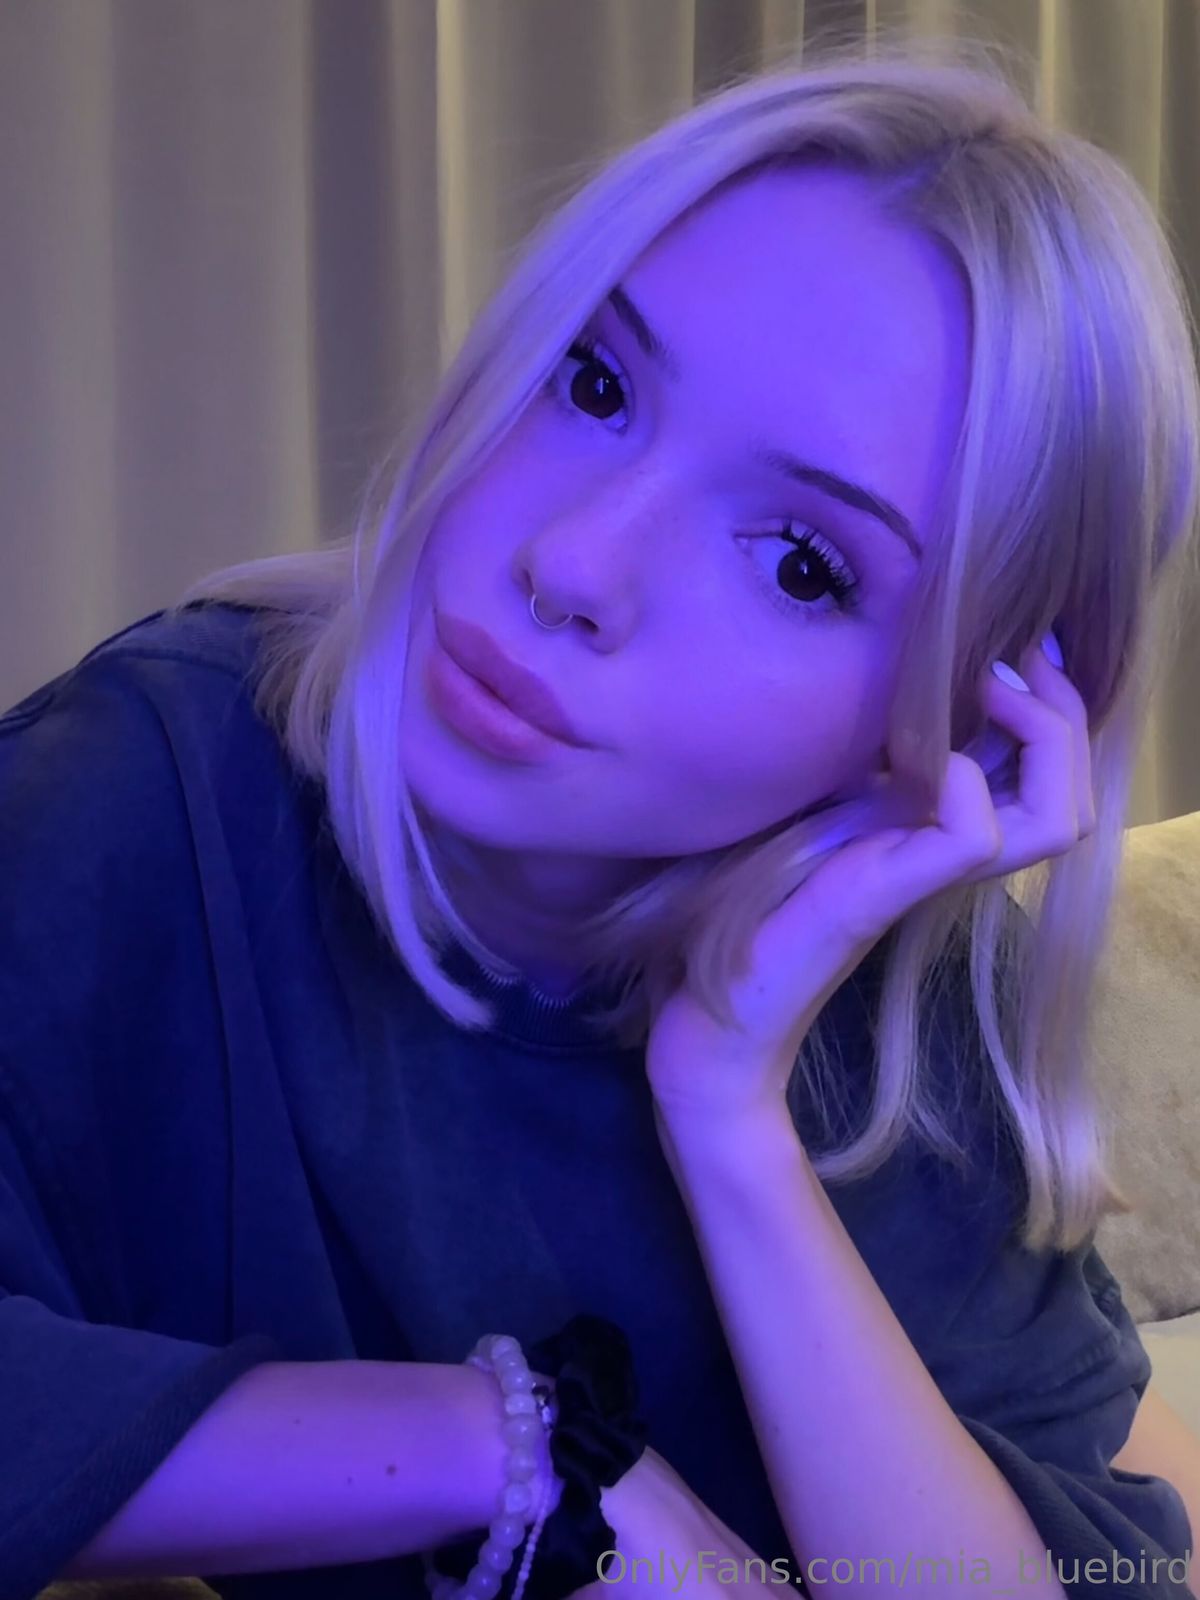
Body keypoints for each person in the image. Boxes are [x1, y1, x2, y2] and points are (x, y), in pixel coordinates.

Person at [1, 28, 1198, 1600]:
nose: (569, 560)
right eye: (598, 382)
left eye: (800, 564)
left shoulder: (906, 973)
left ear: (969, 717)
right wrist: (523, 1457)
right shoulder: (142, 790)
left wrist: (727, 1111)